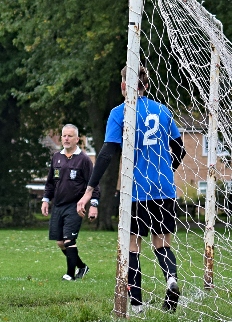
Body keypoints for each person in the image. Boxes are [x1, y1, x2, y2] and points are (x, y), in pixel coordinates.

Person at [77, 65, 186, 313]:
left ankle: (136, 305)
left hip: (135, 189)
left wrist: (89, 189)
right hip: (164, 187)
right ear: (146, 85)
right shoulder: (163, 110)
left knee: (132, 245)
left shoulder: (120, 112)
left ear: (124, 85)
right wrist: (166, 170)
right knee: (161, 243)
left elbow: (105, 155)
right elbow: (180, 150)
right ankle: (171, 279)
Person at [41, 124, 99, 281]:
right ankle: (82, 266)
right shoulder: (56, 157)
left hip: (75, 206)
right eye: (64, 136)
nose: (66, 139)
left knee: (69, 240)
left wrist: (93, 204)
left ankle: (70, 274)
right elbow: (50, 182)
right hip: (58, 205)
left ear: (77, 139)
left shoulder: (84, 160)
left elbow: (93, 184)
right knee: (60, 243)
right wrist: (46, 199)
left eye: (70, 136)